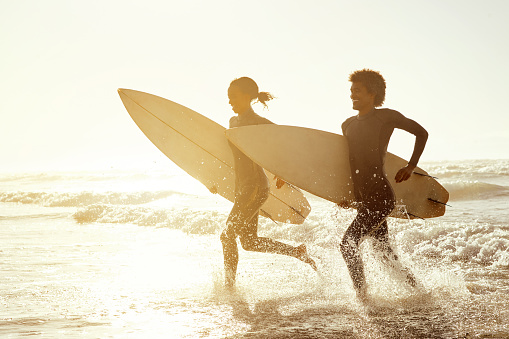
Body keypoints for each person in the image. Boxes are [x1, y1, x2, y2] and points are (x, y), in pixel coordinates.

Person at [339, 69, 428, 299]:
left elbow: (421, 133)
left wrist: (411, 166)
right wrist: (344, 195)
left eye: (357, 90)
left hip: (381, 196)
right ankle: (420, 293)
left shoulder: (385, 117)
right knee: (384, 254)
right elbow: (348, 164)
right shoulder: (347, 125)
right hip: (363, 199)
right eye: (351, 91)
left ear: (373, 93)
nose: (352, 95)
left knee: (348, 243)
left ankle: (363, 298)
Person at [220, 77, 316, 289]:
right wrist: (213, 180)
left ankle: (229, 287)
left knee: (227, 235)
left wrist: (283, 172)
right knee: (248, 242)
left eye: (233, 97)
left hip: (254, 187)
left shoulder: (258, 123)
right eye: (228, 98)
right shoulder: (233, 122)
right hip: (242, 187)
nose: (229, 102)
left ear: (247, 97)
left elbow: (285, 143)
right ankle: (296, 251)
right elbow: (229, 158)